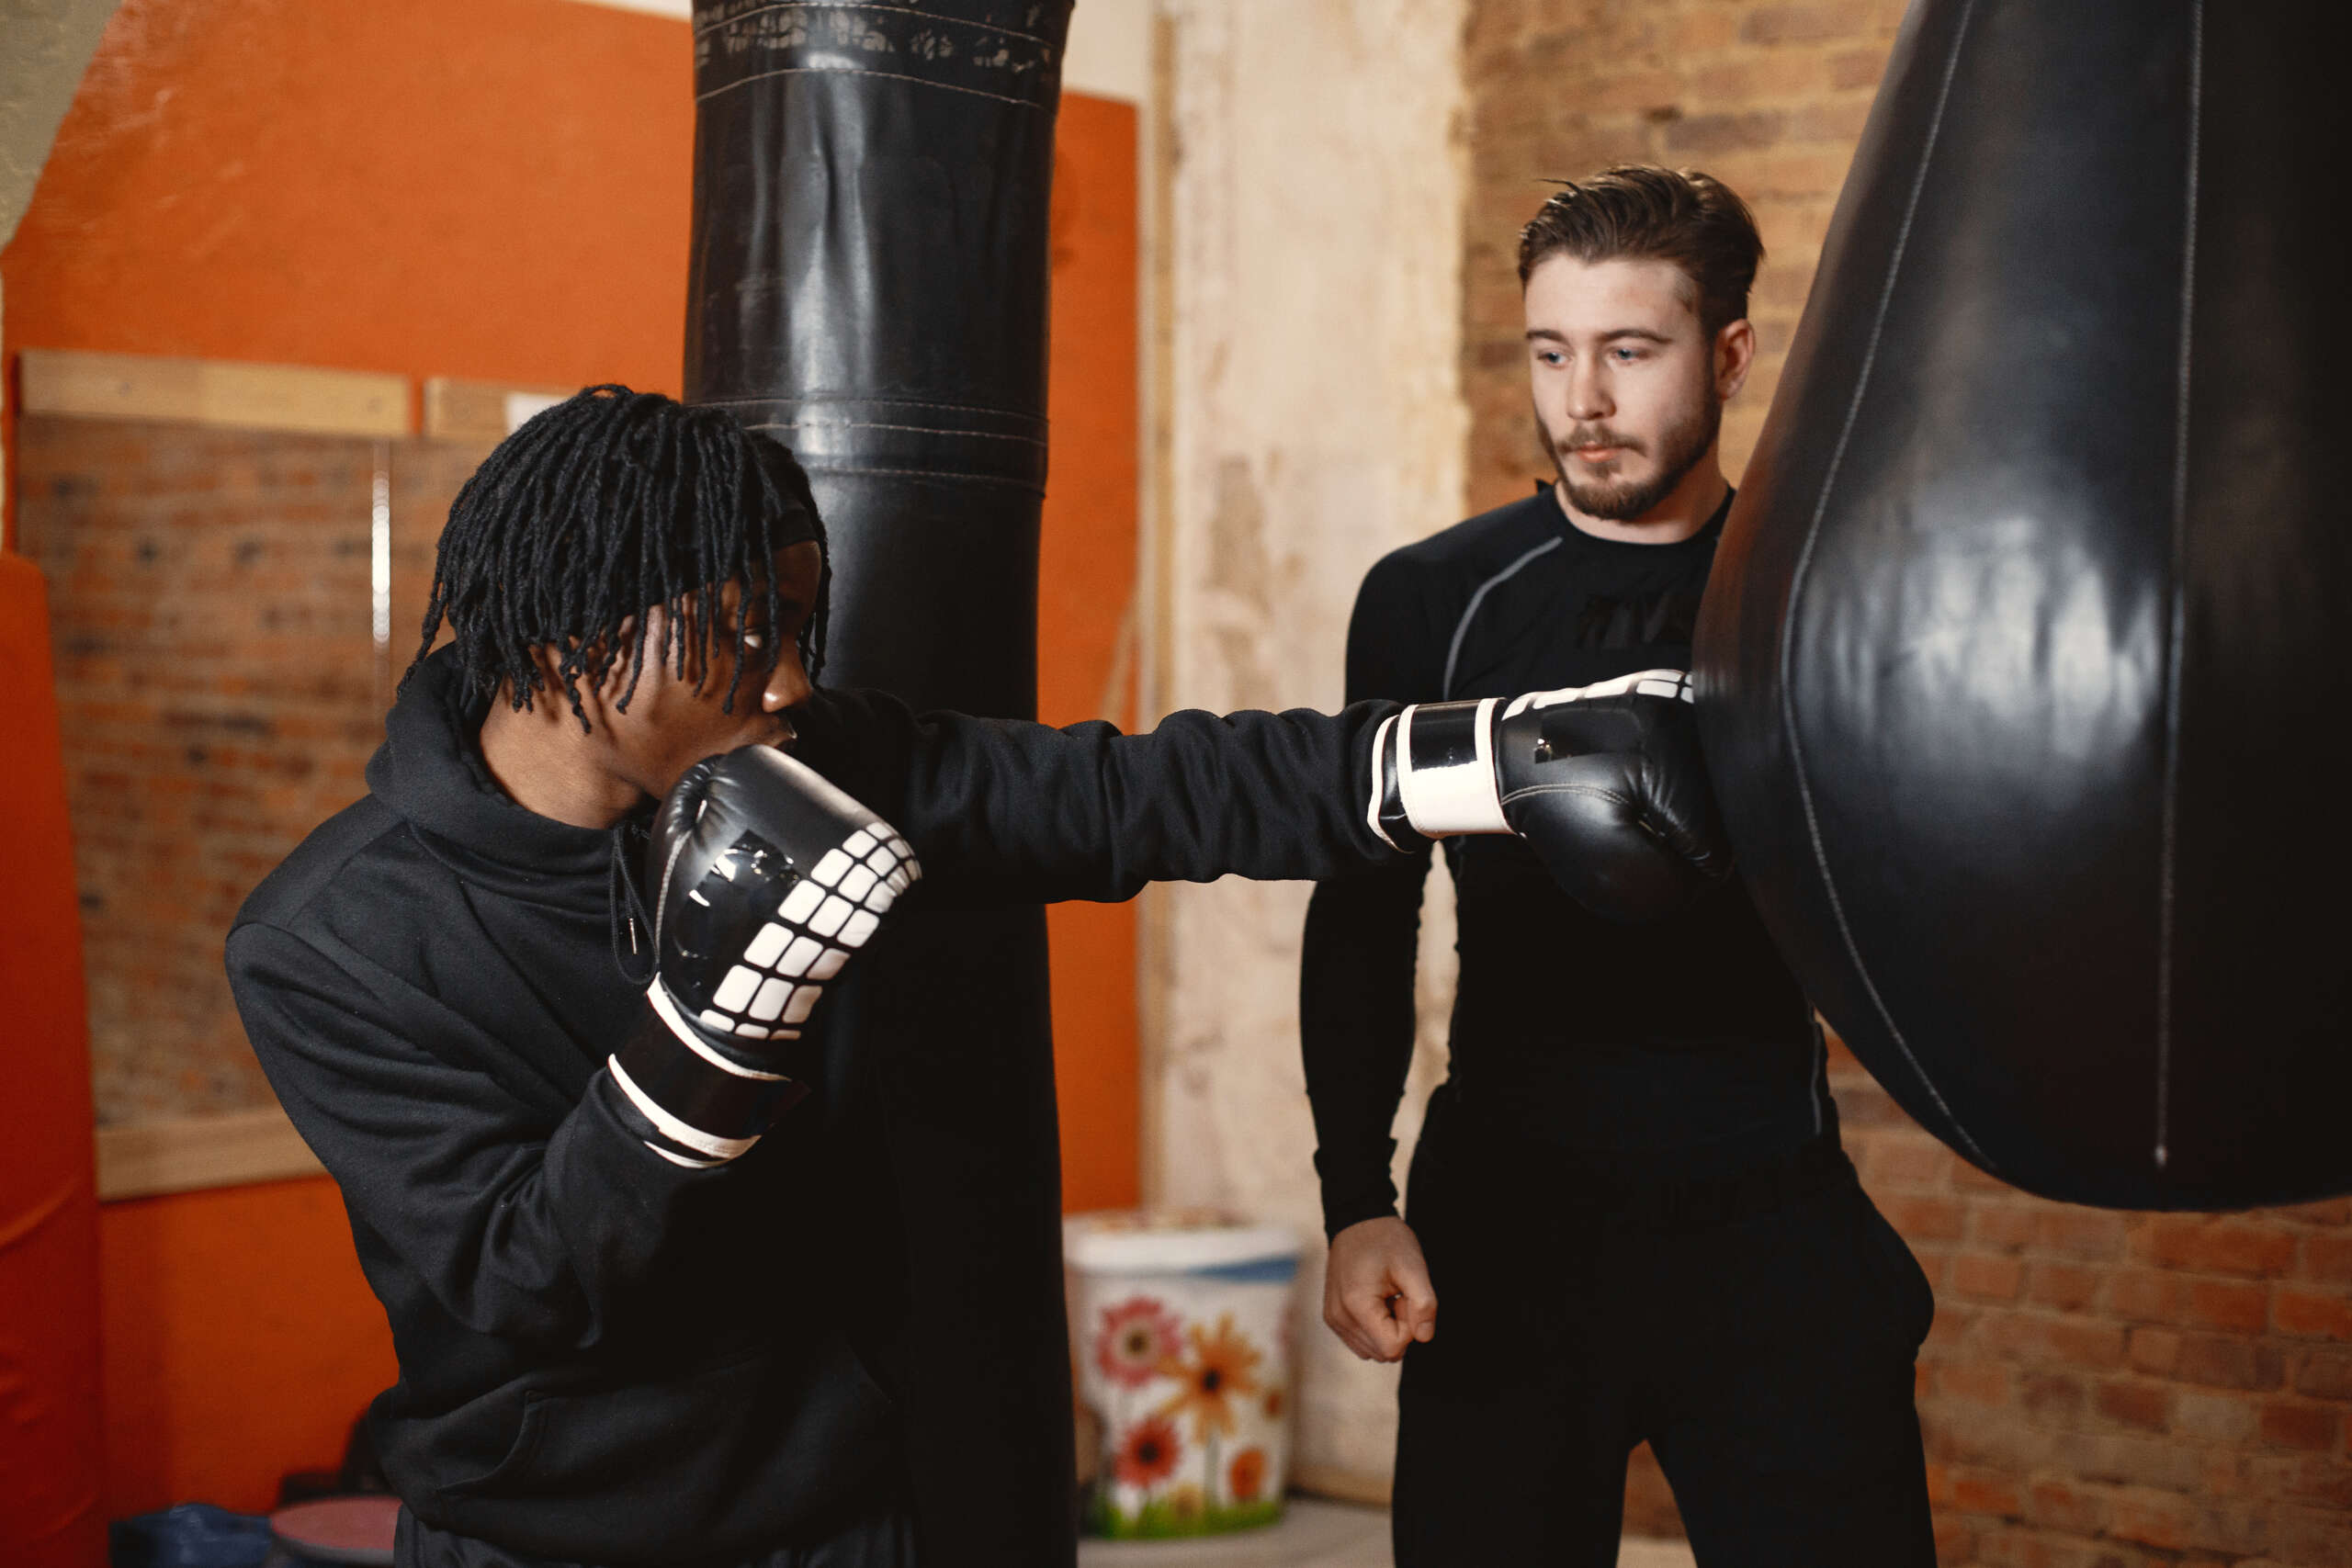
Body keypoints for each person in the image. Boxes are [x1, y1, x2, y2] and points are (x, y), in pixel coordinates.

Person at [227, 386, 1716, 1568]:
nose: (789, 681)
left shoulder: (817, 764)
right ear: (573, 641)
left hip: (841, 1510)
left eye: (795, 630)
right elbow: (521, 1280)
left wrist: (1484, 759)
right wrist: (711, 1028)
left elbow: (1137, 792)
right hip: (539, 1541)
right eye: (741, 637)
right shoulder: (333, 942)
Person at [1300, 167, 1939, 1566]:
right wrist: (1358, 1197)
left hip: (1766, 1215)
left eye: (1630, 352)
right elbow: (1363, 904)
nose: (1582, 397)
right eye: (1551, 350)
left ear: (1728, 355)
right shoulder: (1435, 603)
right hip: (1508, 1228)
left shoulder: (1818, 591)